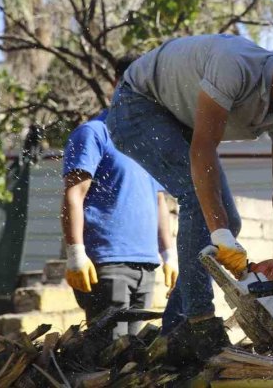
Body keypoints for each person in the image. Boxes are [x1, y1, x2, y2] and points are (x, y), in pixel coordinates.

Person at [106, 30, 273, 363]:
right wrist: (220, 235)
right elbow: (203, 147)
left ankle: (176, 329)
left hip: (178, 119)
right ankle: (199, 323)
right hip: (136, 104)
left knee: (228, 222)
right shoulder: (234, 64)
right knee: (202, 207)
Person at [61, 56, 178, 339]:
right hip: (108, 263)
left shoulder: (146, 142)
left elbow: (159, 200)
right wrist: (76, 253)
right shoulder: (93, 133)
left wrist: (168, 254)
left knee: (133, 352)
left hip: (146, 264)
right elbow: (73, 195)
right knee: (108, 352)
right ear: (118, 84)